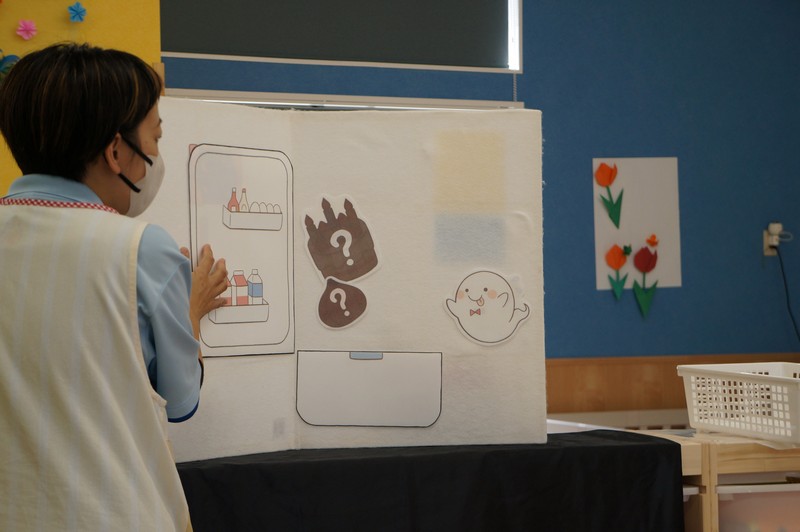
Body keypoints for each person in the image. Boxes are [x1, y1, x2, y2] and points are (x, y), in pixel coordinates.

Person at [0, 43, 227, 531]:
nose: (156, 158)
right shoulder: (142, 248)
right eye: (155, 138)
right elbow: (180, 399)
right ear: (116, 151)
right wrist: (191, 311)